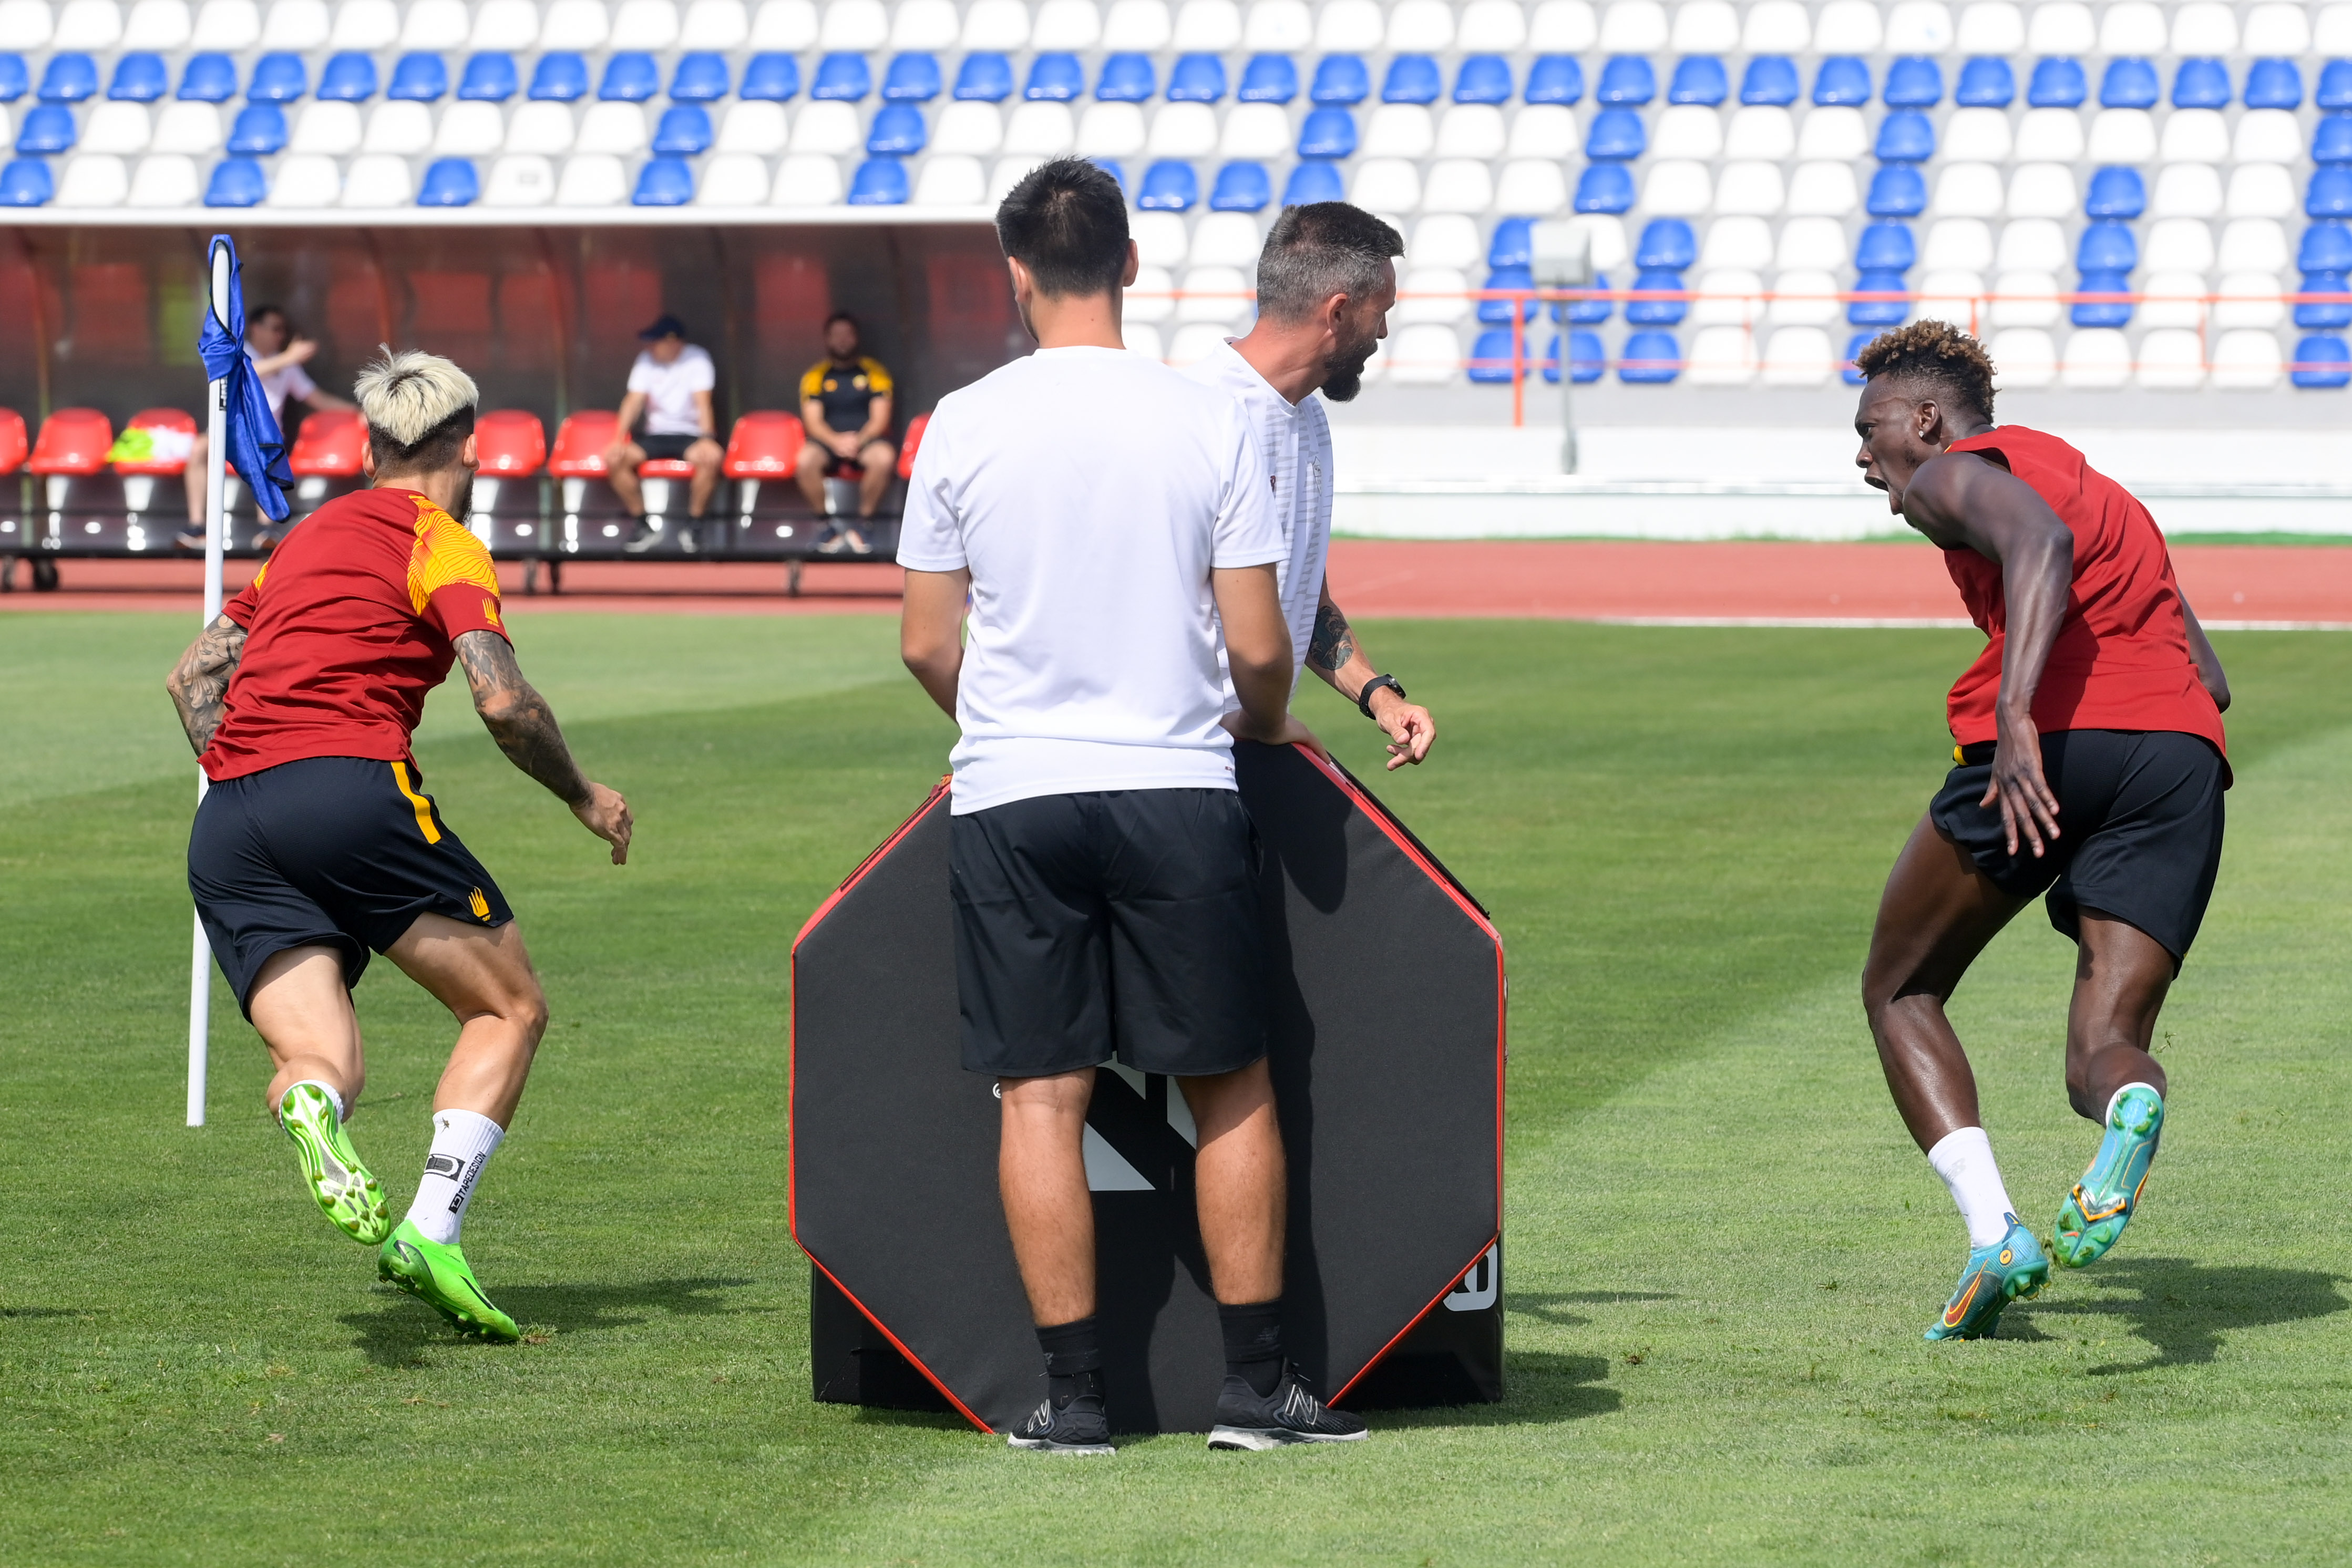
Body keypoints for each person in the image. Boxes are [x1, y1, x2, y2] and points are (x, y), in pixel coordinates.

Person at [897, 158, 1366, 1456]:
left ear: (1014, 274)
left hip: (1012, 791)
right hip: (1173, 780)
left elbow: (927, 644)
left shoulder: (963, 418)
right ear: (1133, 266)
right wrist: (1260, 722)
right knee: (1229, 1082)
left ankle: (1078, 1401)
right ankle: (1255, 1387)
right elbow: (1261, 647)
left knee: (1039, 1094)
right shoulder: (1200, 416)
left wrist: (1004, 730)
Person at [167, 348, 633, 1342]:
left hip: (228, 817)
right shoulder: (446, 539)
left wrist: (259, 785)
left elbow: (192, 679)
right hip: (347, 785)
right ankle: (431, 1229)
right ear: (469, 445)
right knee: (509, 1006)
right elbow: (503, 700)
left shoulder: (299, 539)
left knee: (322, 1056)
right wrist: (584, 795)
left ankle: (314, 1111)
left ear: (370, 446)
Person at [1851, 322, 2230, 1343]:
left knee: (1898, 986)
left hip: (2053, 745)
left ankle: (1994, 1236)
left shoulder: (1952, 472)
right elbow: (2207, 669)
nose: (1860, 452)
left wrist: (2016, 712)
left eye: (1870, 425)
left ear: (1924, 419)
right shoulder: (2090, 481)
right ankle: (2126, 1116)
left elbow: (2035, 544)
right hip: (2180, 759)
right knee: (2099, 1055)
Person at [1184, 202, 1436, 771]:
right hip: (1179, 769)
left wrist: (1378, 694)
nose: (1384, 332)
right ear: (1339, 312)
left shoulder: (1308, 418)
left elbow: (1304, 598)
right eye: (1381, 312)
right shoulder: (1193, 416)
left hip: (1254, 748)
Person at [179, 303, 356, 543]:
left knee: (269, 451)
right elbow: (242, 373)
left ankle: (266, 531)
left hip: (266, 437)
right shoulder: (239, 352)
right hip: (231, 432)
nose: (279, 336)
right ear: (255, 328)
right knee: (200, 449)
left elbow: (318, 398)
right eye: (274, 329)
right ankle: (198, 526)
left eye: (282, 330)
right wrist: (288, 358)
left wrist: (358, 412)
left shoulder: (286, 364)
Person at [603, 314, 723, 552]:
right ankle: (643, 525)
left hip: (691, 435)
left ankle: (694, 526)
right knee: (615, 460)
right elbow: (633, 401)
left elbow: (703, 402)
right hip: (655, 435)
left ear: (673, 342)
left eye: (656, 341)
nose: (651, 346)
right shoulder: (646, 360)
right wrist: (618, 440)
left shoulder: (697, 359)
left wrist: (708, 439)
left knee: (712, 459)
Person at [795, 312, 898, 553]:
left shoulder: (875, 372)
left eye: (848, 335)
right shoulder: (815, 375)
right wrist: (836, 442)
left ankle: (863, 527)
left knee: (884, 458)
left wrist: (858, 441)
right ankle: (825, 528)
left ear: (857, 338)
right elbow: (813, 422)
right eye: (837, 335)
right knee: (804, 460)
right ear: (827, 340)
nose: (843, 340)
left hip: (866, 440)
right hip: (828, 442)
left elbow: (880, 418)